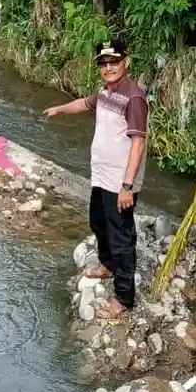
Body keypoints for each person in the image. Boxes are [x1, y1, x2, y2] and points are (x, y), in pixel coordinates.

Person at [43, 39, 149, 319]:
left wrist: (127, 186)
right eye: (104, 63)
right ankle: (107, 265)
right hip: (101, 177)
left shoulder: (134, 97)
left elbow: (137, 144)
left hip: (120, 184)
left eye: (114, 62)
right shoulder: (105, 92)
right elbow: (84, 103)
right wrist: (59, 109)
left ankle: (124, 298)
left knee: (121, 238)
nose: (109, 67)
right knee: (97, 222)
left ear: (126, 62)